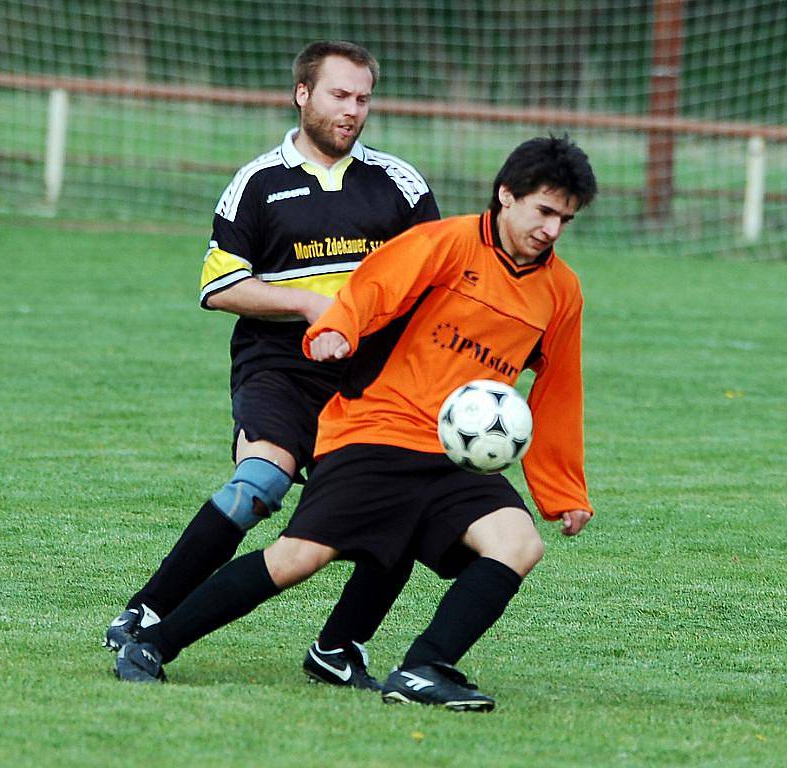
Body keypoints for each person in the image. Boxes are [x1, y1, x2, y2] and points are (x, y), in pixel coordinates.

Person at [114, 135, 598, 713]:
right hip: (378, 429)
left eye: (565, 219)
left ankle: (423, 667)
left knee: (517, 542)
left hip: (451, 454)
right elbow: (373, 285)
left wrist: (564, 491)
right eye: (544, 211)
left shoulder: (561, 290)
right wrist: (338, 327)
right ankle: (152, 644)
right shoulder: (445, 244)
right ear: (507, 196)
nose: (552, 230)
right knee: (298, 558)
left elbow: (559, 390)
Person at [104, 40, 440, 690]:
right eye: (340, 95)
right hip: (280, 367)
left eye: (363, 97)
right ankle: (144, 612)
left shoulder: (400, 184)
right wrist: (311, 305)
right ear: (303, 94)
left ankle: (339, 648)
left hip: (373, 381)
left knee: (404, 505)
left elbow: (439, 280)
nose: (353, 110)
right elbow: (218, 286)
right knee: (258, 483)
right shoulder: (259, 182)